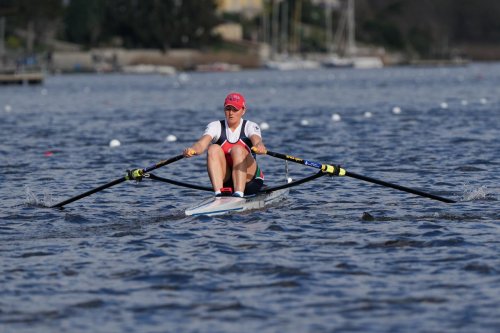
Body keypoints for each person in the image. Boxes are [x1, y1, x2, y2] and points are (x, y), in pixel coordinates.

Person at [183, 92, 266, 197]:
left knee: (237, 149)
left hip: (250, 181)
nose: (231, 113)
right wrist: (192, 150)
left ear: (243, 110)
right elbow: (201, 144)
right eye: (228, 109)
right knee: (213, 148)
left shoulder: (250, 126)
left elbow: (257, 140)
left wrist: (259, 146)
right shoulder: (215, 126)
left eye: (235, 109)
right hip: (226, 181)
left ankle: (239, 194)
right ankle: (218, 194)